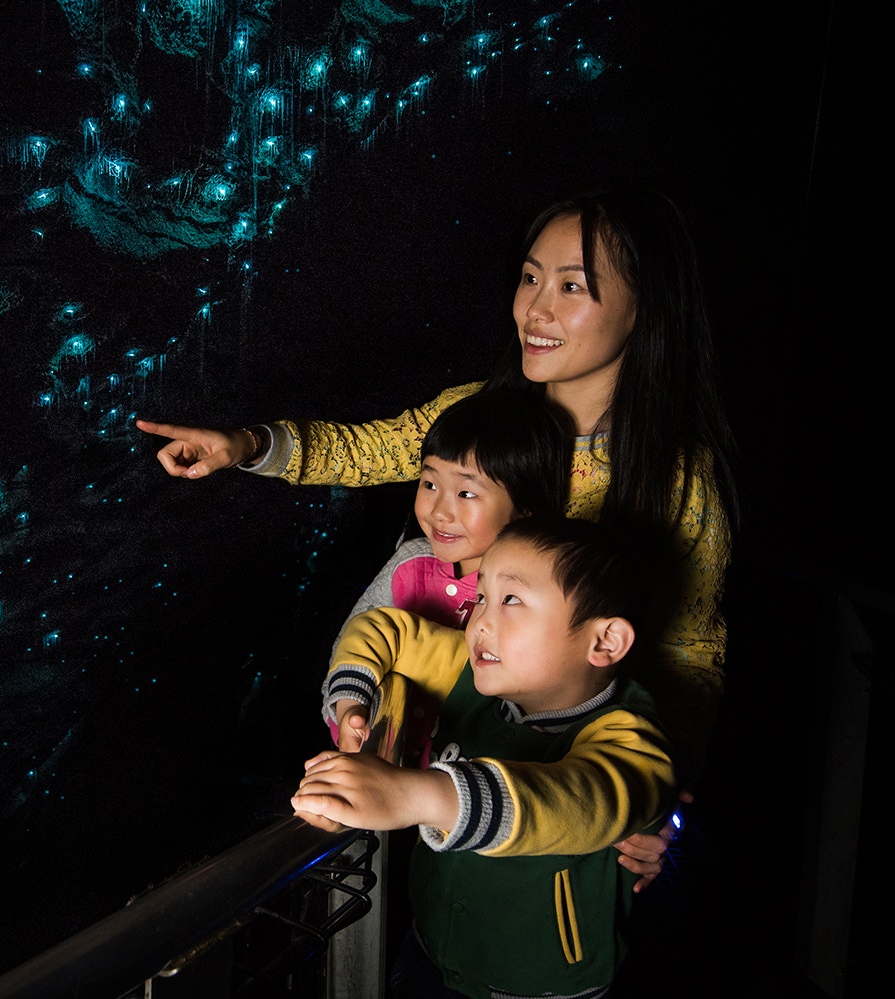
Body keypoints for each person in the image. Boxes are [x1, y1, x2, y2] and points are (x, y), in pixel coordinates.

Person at [137, 186, 735, 883]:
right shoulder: (478, 410)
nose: (535, 308)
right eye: (530, 276)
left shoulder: (677, 479)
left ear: (646, 307)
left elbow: (692, 654)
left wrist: (664, 788)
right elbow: (369, 447)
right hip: (434, 760)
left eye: (572, 285)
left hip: (565, 777)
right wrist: (244, 445)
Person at [292, 517, 675, 999]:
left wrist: (416, 795)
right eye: (481, 598)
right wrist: (353, 702)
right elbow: (384, 627)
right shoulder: (474, 672)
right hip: (431, 946)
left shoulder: (631, 737)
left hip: (537, 985)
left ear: (604, 642)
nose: (480, 622)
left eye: (511, 600)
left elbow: (576, 800)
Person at [323, 389, 569, 753]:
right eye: (430, 484)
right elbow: (349, 644)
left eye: (466, 493)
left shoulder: (541, 589)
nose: (440, 511)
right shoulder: (409, 563)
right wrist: (350, 715)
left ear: (527, 507)